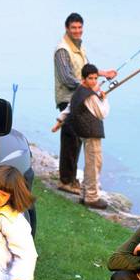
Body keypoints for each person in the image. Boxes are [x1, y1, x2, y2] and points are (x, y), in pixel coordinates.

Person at [53, 13, 116, 195]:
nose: (77, 30)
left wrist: (103, 74)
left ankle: (71, 178)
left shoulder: (79, 47)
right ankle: (66, 181)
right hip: (69, 99)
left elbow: (85, 71)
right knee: (70, 140)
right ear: (67, 28)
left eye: (80, 27)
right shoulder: (62, 50)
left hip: (80, 99)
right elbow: (66, 78)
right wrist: (88, 87)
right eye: (73, 27)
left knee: (77, 140)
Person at [51, 63, 109, 209]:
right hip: (92, 133)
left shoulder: (79, 91)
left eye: (95, 78)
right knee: (94, 165)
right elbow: (102, 113)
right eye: (90, 78)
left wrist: (59, 121)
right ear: (83, 78)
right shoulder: (90, 96)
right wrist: (104, 99)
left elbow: (69, 108)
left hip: (83, 132)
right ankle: (92, 197)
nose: (94, 81)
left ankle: (84, 193)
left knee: (90, 163)